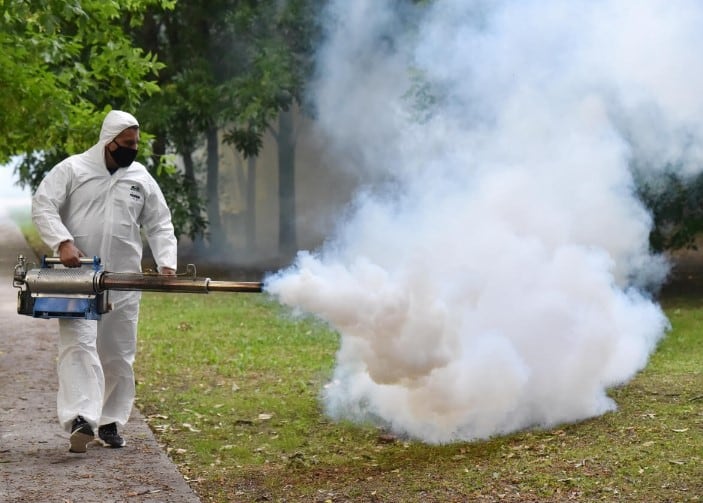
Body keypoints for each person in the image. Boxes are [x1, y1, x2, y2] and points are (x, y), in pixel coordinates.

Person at [32, 110, 178, 453]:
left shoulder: (140, 177)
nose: (133, 149)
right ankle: (82, 418)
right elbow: (43, 205)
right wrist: (62, 241)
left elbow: (159, 223)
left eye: (136, 144)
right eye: (127, 144)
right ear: (108, 142)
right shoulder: (73, 169)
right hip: (77, 276)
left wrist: (166, 262)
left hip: (125, 277)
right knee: (79, 345)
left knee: (118, 353)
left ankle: (111, 420)